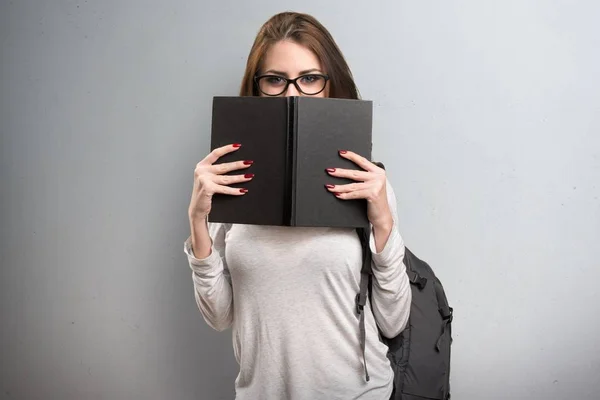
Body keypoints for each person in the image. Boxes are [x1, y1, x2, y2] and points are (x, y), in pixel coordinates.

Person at [184, 11, 412, 400]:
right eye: (275, 79)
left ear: (329, 85)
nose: (291, 94)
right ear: (256, 88)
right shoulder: (229, 183)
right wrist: (198, 221)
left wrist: (384, 225)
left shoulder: (365, 182)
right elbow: (219, 317)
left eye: (309, 79)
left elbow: (393, 323)